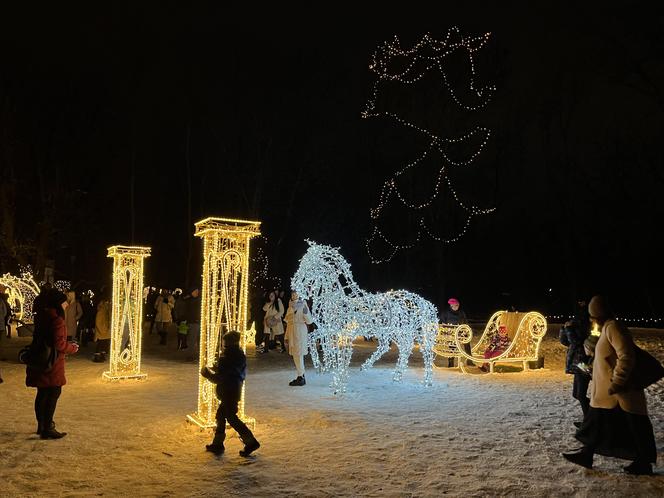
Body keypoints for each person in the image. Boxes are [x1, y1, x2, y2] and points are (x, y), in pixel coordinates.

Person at [563, 296, 658, 475]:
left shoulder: (613, 328)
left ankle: (643, 463)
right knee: (599, 423)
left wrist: (618, 382)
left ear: (599, 314)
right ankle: (587, 454)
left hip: (619, 391)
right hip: (609, 392)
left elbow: (626, 356)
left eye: (593, 315)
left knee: (635, 426)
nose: (591, 319)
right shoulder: (607, 328)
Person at [26, 289, 79, 439]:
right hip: (53, 363)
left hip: (41, 360)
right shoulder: (57, 320)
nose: (66, 305)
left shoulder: (43, 316)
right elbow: (59, 344)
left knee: (42, 393)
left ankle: (41, 425)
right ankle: (48, 427)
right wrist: (73, 348)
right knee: (53, 392)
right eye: (64, 302)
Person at [200, 330, 260, 457]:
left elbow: (222, 377)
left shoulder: (227, 357)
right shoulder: (238, 354)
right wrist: (217, 368)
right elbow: (231, 372)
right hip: (234, 390)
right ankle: (218, 444)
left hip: (228, 391)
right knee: (221, 416)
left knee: (231, 418)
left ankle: (250, 441)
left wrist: (208, 375)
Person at [559, 300, 591, 423]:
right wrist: (564, 329)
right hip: (577, 362)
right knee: (576, 394)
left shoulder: (586, 323)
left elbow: (576, 342)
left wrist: (569, 329)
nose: (580, 304)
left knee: (580, 395)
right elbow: (566, 342)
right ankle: (591, 419)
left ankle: (591, 420)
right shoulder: (576, 320)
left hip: (583, 362)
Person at [284, 291, 313, 386]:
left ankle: (301, 376)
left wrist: (305, 311)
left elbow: (309, 320)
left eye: (296, 293)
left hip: (300, 331)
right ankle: (301, 375)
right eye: (292, 294)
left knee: (299, 353)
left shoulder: (303, 304)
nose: (294, 295)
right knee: (295, 354)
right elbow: (288, 322)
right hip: (292, 331)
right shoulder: (290, 306)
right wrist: (287, 336)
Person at [182, 288, 201, 360]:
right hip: (194, 322)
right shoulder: (191, 300)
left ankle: (197, 355)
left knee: (197, 340)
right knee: (192, 340)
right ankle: (190, 355)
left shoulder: (195, 300)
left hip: (196, 321)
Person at [93, 291, 111, 362]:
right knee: (101, 343)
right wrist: (101, 329)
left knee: (104, 343)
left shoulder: (106, 309)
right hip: (102, 329)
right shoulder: (101, 310)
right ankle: (97, 357)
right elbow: (98, 321)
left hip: (105, 329)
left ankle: (102, 355)